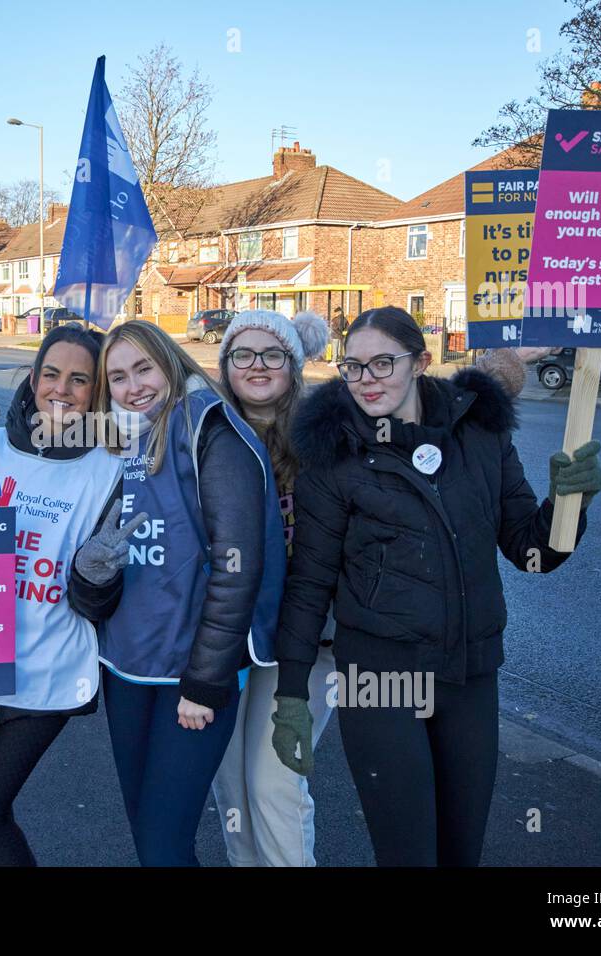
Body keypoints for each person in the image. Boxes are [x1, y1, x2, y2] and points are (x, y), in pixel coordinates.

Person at [271, 306, 601, 866]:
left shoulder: (479, 435)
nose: (366, 380)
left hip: (469, 675)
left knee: (460, 853)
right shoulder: (333, 456)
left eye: (382, 363)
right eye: (353, 367)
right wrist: (291, 693)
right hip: (380, 681)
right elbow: (310, 582)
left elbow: (533, 554)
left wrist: (568, 504)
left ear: (422, 362)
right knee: (409, 857)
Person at [80, 321, 285, 867]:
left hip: (191, 675)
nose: (132, 386)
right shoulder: (125, 438)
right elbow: (104, 566)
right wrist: (90, 573)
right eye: (118, 376)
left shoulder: (212, 431)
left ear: (170, 362)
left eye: (143, 368)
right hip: (128, 665)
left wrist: (205, 681)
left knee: (165, 845)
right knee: (149, 838)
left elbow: (238, 566)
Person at [0, 323, 127, 866]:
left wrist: (95, 578)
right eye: (51, 374)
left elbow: (99, 605)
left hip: (49, 669)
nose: (62, 389)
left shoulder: (111, 468)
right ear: (32, 379)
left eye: (80, 379)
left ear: (96, 391)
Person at [209, 309, 335, 868]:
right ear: (226, 365)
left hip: (305, 641)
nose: (257, 366)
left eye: (272, 355)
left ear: (294, 364)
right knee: (230, 786)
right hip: (231, 636)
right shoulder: (207, 435)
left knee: (274, 783)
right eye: (243, 355)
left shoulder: (330, 439)